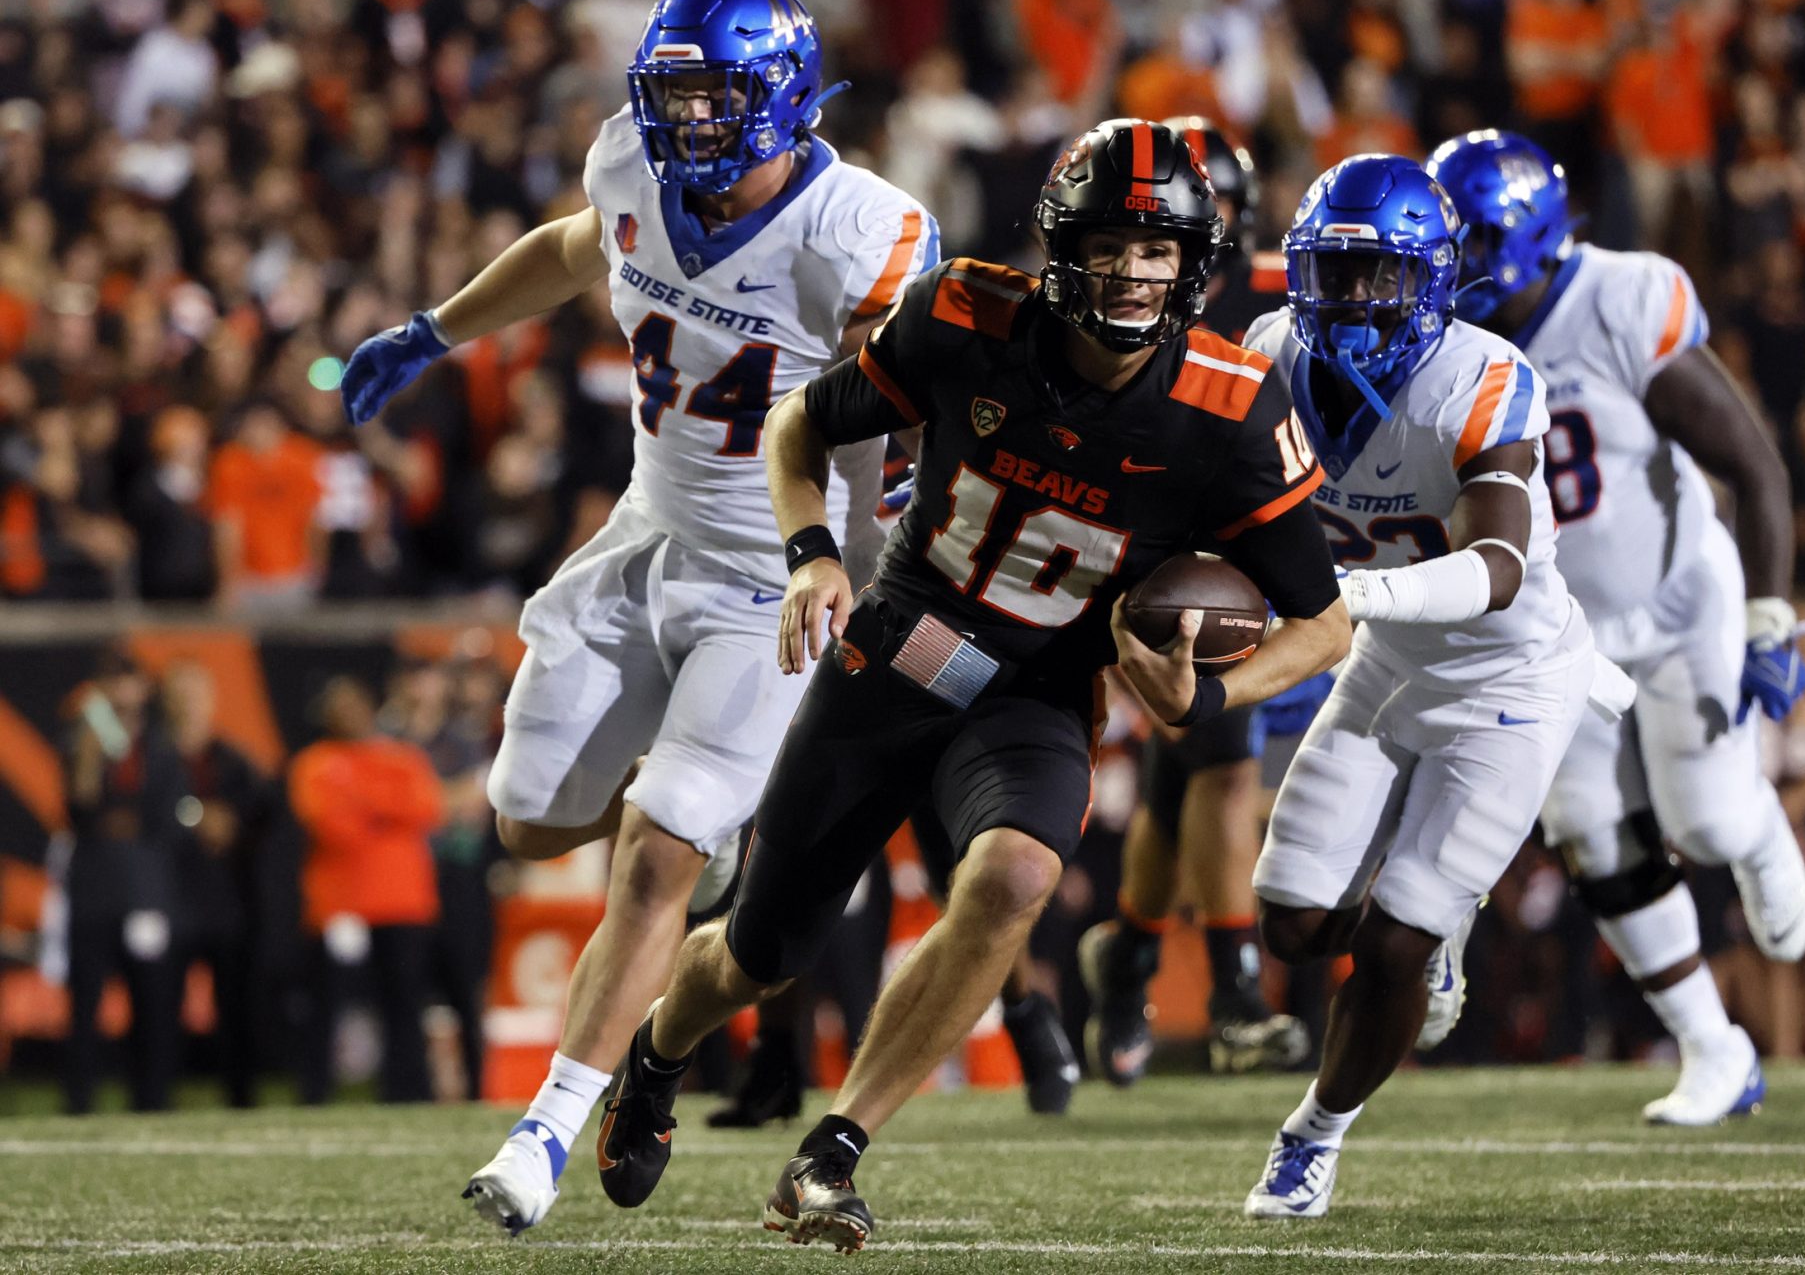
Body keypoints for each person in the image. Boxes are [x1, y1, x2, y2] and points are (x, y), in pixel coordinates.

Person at [592, 118, 1351, 1252]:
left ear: (1196, 262)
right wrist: (810, 553)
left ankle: (830, 1153)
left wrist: (1209, 701)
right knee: (758, 954)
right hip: (898, 645)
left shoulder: (1231, 409)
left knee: (1013, 879)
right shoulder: (966, 316)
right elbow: (801, 420)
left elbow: (1324, 623)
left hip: (1036, 689)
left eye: (1158, 250)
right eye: (1109, 244)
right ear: (1061, 246)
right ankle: (653, 1055)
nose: (1133, 271)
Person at [337, 0, 937, 1234]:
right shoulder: (631, 168)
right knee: (530, 825)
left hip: (779, 573)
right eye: (670, 91)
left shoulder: (863, 231)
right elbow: (573, 250)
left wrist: (870, 564)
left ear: (777, 92)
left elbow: (916, 415)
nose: (686, 120)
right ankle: (719, 804)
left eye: (713, 95)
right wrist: (438, 330)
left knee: (658, 846)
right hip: (640, 536)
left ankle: (544, 1133)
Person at [1239, 154, 1626, 1219]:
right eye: (1336, 271)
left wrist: (1344, 594)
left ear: (1434, 279)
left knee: (1396, 936)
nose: (1354, 301)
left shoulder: (1483, 375)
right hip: (1384, 664)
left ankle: (1311, 1135)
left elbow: (1496, 571)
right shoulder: (1266, 355)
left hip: (1509, 678)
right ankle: (1420, 934)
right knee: (1288, 922)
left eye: (1380, 277)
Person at [1428, 130, 1805, 1123]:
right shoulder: (1436, 346)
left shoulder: (1617, 299)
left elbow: (1756, 467)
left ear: (1529, 239)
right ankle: (1712, 1050)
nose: (1446, 268)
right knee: (1591, 836)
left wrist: (1769, 619)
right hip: (1565, 637)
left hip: (1681, 600)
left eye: (1463, 245)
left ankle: (1759, 829)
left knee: (1705, 822)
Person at [1078, 116, 1309, 1085]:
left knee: (1183, 793)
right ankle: (1234, 995)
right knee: (1217, 769)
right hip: (1163, 556)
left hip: (1259, 545)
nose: (1145, 261)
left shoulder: (1280, 296)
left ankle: (1126, 954)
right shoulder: (1096, 306)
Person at [289, 676, 444, 1107]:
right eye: (338, 708)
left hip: (405, 902)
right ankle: (315, 1094)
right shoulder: (314, 763)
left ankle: (408, 1094)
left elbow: (426, 807)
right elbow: (329, 824)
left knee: (404, 1006)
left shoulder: (404, 756)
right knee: (326, 1007)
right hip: (341, 906)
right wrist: (386, 809)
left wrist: (362, 801)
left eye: (355, 704)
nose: (349, 715)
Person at [61, 649, 188, 1114]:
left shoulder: (160, 744)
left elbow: (167, 817)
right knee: (85, 1008)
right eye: (111, 680)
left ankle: (153, 1102)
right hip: (95, 893)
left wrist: (128, 821)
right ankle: (79, 1103)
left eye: (128, 678)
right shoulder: (81, 738)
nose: (120, 690)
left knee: (153, 1007)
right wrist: (89, 760)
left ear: (144, 687)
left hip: (145, 893)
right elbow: (78, 811)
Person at [160, 658, 277, 1110]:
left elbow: (258, 817)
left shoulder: (233, 760)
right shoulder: (154, 756)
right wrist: (196, 818)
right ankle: (155, 1100)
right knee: (161, 1008)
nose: (190, 704)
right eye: (180, 693)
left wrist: (230, 824)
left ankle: (241, 1100)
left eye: (197, 693)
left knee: (237, 1008)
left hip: (227, 899)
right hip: (171, 897)